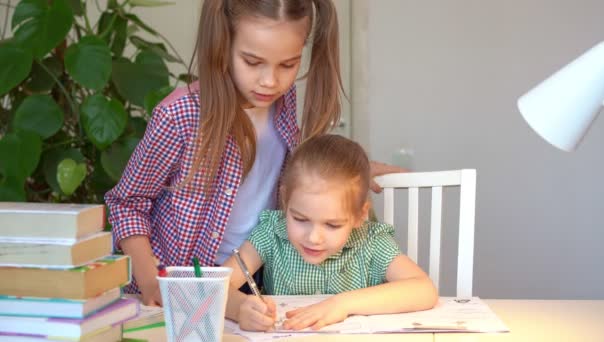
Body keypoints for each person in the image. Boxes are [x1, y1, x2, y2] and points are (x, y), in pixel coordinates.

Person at [105, 0, 404, 306]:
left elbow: (278, 166)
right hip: (178, 291)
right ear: (223, 45)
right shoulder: (180, 115)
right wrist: (150, 281)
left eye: (288, 64)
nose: (270, 80)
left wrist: (345, 172)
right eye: (252, 61)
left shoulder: (281, 98)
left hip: (248, 281)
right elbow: (127, 204)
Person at [223, 135, 438, 332]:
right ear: (285, 199)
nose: (313, 238)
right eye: (300, 219)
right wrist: (241, 308)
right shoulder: (271, 233)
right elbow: (211, 287)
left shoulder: (371, 241)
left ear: (359, 215)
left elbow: (424, 289)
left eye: (333, 225)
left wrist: (342, 304)